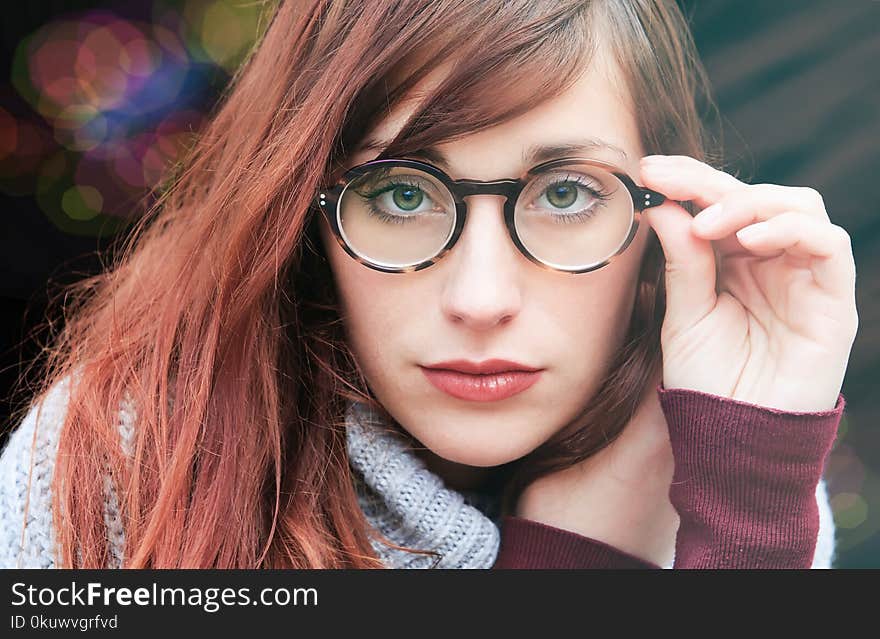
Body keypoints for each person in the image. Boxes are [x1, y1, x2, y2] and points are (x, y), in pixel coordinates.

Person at [0, 0, 857, 569]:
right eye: (401, 193)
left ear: (662, 211)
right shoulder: (124, 460)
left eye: (565, 194)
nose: (480, 299)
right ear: (303, 210)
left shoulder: (739, 467)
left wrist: (747, 496)